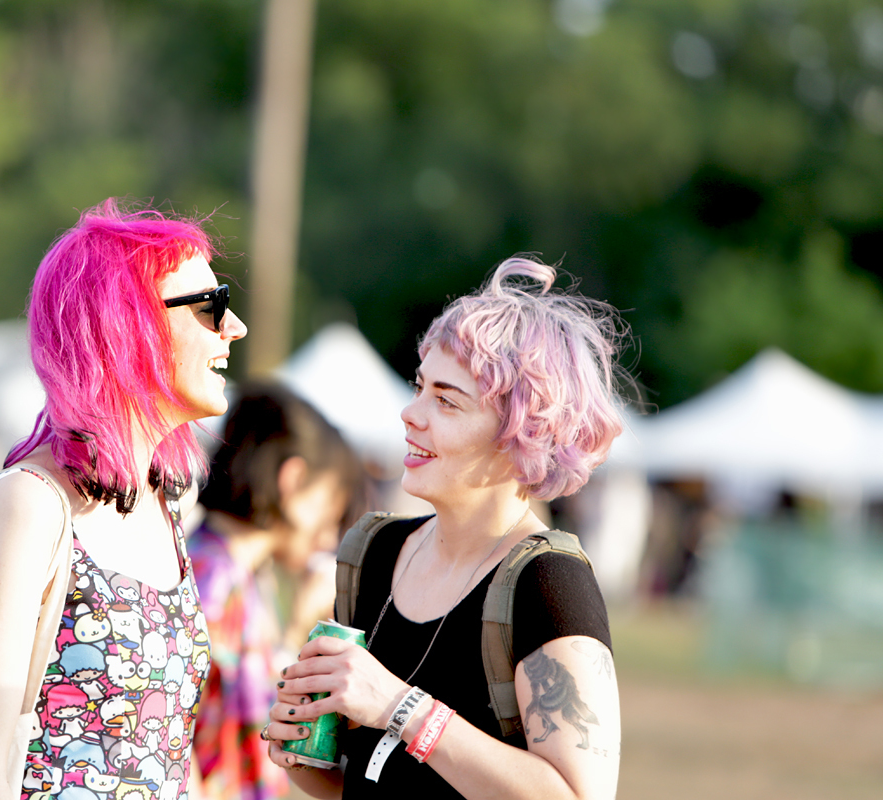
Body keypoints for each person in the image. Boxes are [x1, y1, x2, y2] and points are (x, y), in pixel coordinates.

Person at [263, 256, 627, 800]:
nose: (411, 414)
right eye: (419, 387)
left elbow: (577, 797)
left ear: (521, 432)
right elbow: (362, 777)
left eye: (446, 401)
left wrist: (399, 707)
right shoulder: (373, 552)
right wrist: (300, 750)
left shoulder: (550, 582)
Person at [0, 198, 247, 800]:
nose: (233, 326)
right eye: (211, 305)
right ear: (129, 324)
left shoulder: (166, 502)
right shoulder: (31, 503)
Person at [190, 382, 362, 800]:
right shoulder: (214, 579)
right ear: (294, 480)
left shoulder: (234, 570)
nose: (329, 537)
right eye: (332, 507)